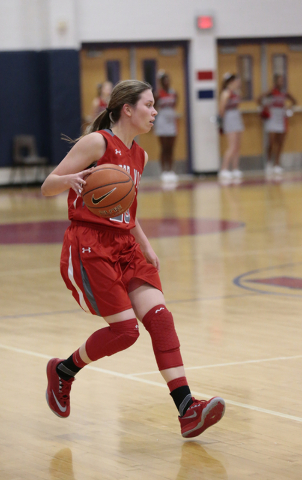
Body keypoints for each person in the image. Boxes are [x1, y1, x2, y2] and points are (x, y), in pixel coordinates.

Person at [41, 80, 225, 438]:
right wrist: (71, 179)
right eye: (149, 105)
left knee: (160, 319)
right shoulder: (97, 143)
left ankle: (188, 409)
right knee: (125, 332)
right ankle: (63, 371)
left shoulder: (139, 155)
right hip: (90, 244)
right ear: (127, 109)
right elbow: (47, 184)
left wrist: (145, 245)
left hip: (125, 245)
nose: (155, 112)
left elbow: (127, 207)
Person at [258, 74, 297, 176]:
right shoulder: (271, 92)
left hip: (281, 118)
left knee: (280, 142)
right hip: (272, 118)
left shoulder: (284, 93)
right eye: (279, 80)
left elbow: (294, 101)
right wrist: (264, 108)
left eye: (282, 80)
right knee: (271, 142)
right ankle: (268, 162)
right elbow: (258, 99)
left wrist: (289, 110)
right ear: (275, 82)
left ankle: (277, 164)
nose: (281, 82)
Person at [218, 73, 244, 182]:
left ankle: (235, 168)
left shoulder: (236, 93)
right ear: (231, 82)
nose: (238, 83)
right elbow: (221, 110)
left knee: (237, 146)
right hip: (229, 118)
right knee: (232, 146)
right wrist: (222, 123)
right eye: (236, 81)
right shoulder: (225, 93)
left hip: (236, 116)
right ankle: (224, 169)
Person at [154, 72, 179, 183]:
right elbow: (154, 106)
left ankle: (171, 170)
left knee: (171, 147)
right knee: (164, 147)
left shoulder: (174, 93)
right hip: (162, 121)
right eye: (165, 80)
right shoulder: (158, 94)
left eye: (168, 80)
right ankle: (164, 171)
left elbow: (175, 104)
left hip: (171, 121)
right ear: (161, 82)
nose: (167, 82)